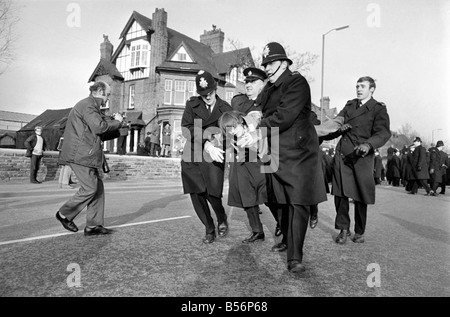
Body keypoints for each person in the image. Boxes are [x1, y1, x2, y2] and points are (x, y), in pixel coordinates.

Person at [254, 42, 327, 273]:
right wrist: (248, 119)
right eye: (265, 64)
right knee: (278, 200)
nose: (267, 68)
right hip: (275, 151)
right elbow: (258, 109)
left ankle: (295, 257)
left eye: (271, 63)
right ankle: (287, 238)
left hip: (298, 153)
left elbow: (283, 117)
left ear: (284, 63)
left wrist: (256, 126)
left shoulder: (297, 82)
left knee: (297, 203)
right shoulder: (268, 88)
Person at [321, 76, 391, 245]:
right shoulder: (350, 105)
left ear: (371, 89)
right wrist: (339, 131)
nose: (359, 89)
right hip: (343, 155)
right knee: (340, 194)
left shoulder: (378, 108)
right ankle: (344, 229)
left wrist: (368, 144)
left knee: (360, 195)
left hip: (362, 156)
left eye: (362, 86)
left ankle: (359, 230)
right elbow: (333, 127)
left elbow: (383, 133)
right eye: (357, 86)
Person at [55, 81, 127, 236]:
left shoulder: (91, 107)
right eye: (107, 94)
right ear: (99, 91)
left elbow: (98, 132)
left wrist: (119, 127)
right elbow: (99, 127)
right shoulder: (88, 105)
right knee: (90, 188)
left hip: (86, 154)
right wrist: (118, 122)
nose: (108, 99)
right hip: (80, 154)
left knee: (98, 190)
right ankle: (64, 214)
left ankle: (93, 226)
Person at [180, 70, 232, 244]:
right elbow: (186, 128)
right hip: (193, 153)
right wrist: (206, 141)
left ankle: (221, 216)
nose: (207, 97)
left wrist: (219, 141)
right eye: (203, 94)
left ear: (215, 88)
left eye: (210, 92)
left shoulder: (225, 108)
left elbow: (230, 131)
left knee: (213, 193)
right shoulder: (192, 105)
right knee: (196, 193)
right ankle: (209, 228)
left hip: (214, 155)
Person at [219, 110, 268, 243]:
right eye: (229, 130)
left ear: (239, 121)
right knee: (247, 200)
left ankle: (284, 227)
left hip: (260, 163)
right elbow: (220, 139)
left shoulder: (254, 124)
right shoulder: (231, 135)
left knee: (270, 198)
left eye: (234, 127)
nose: (232, 132)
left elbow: (268, 139)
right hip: (242, 165)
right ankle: (257, 231)